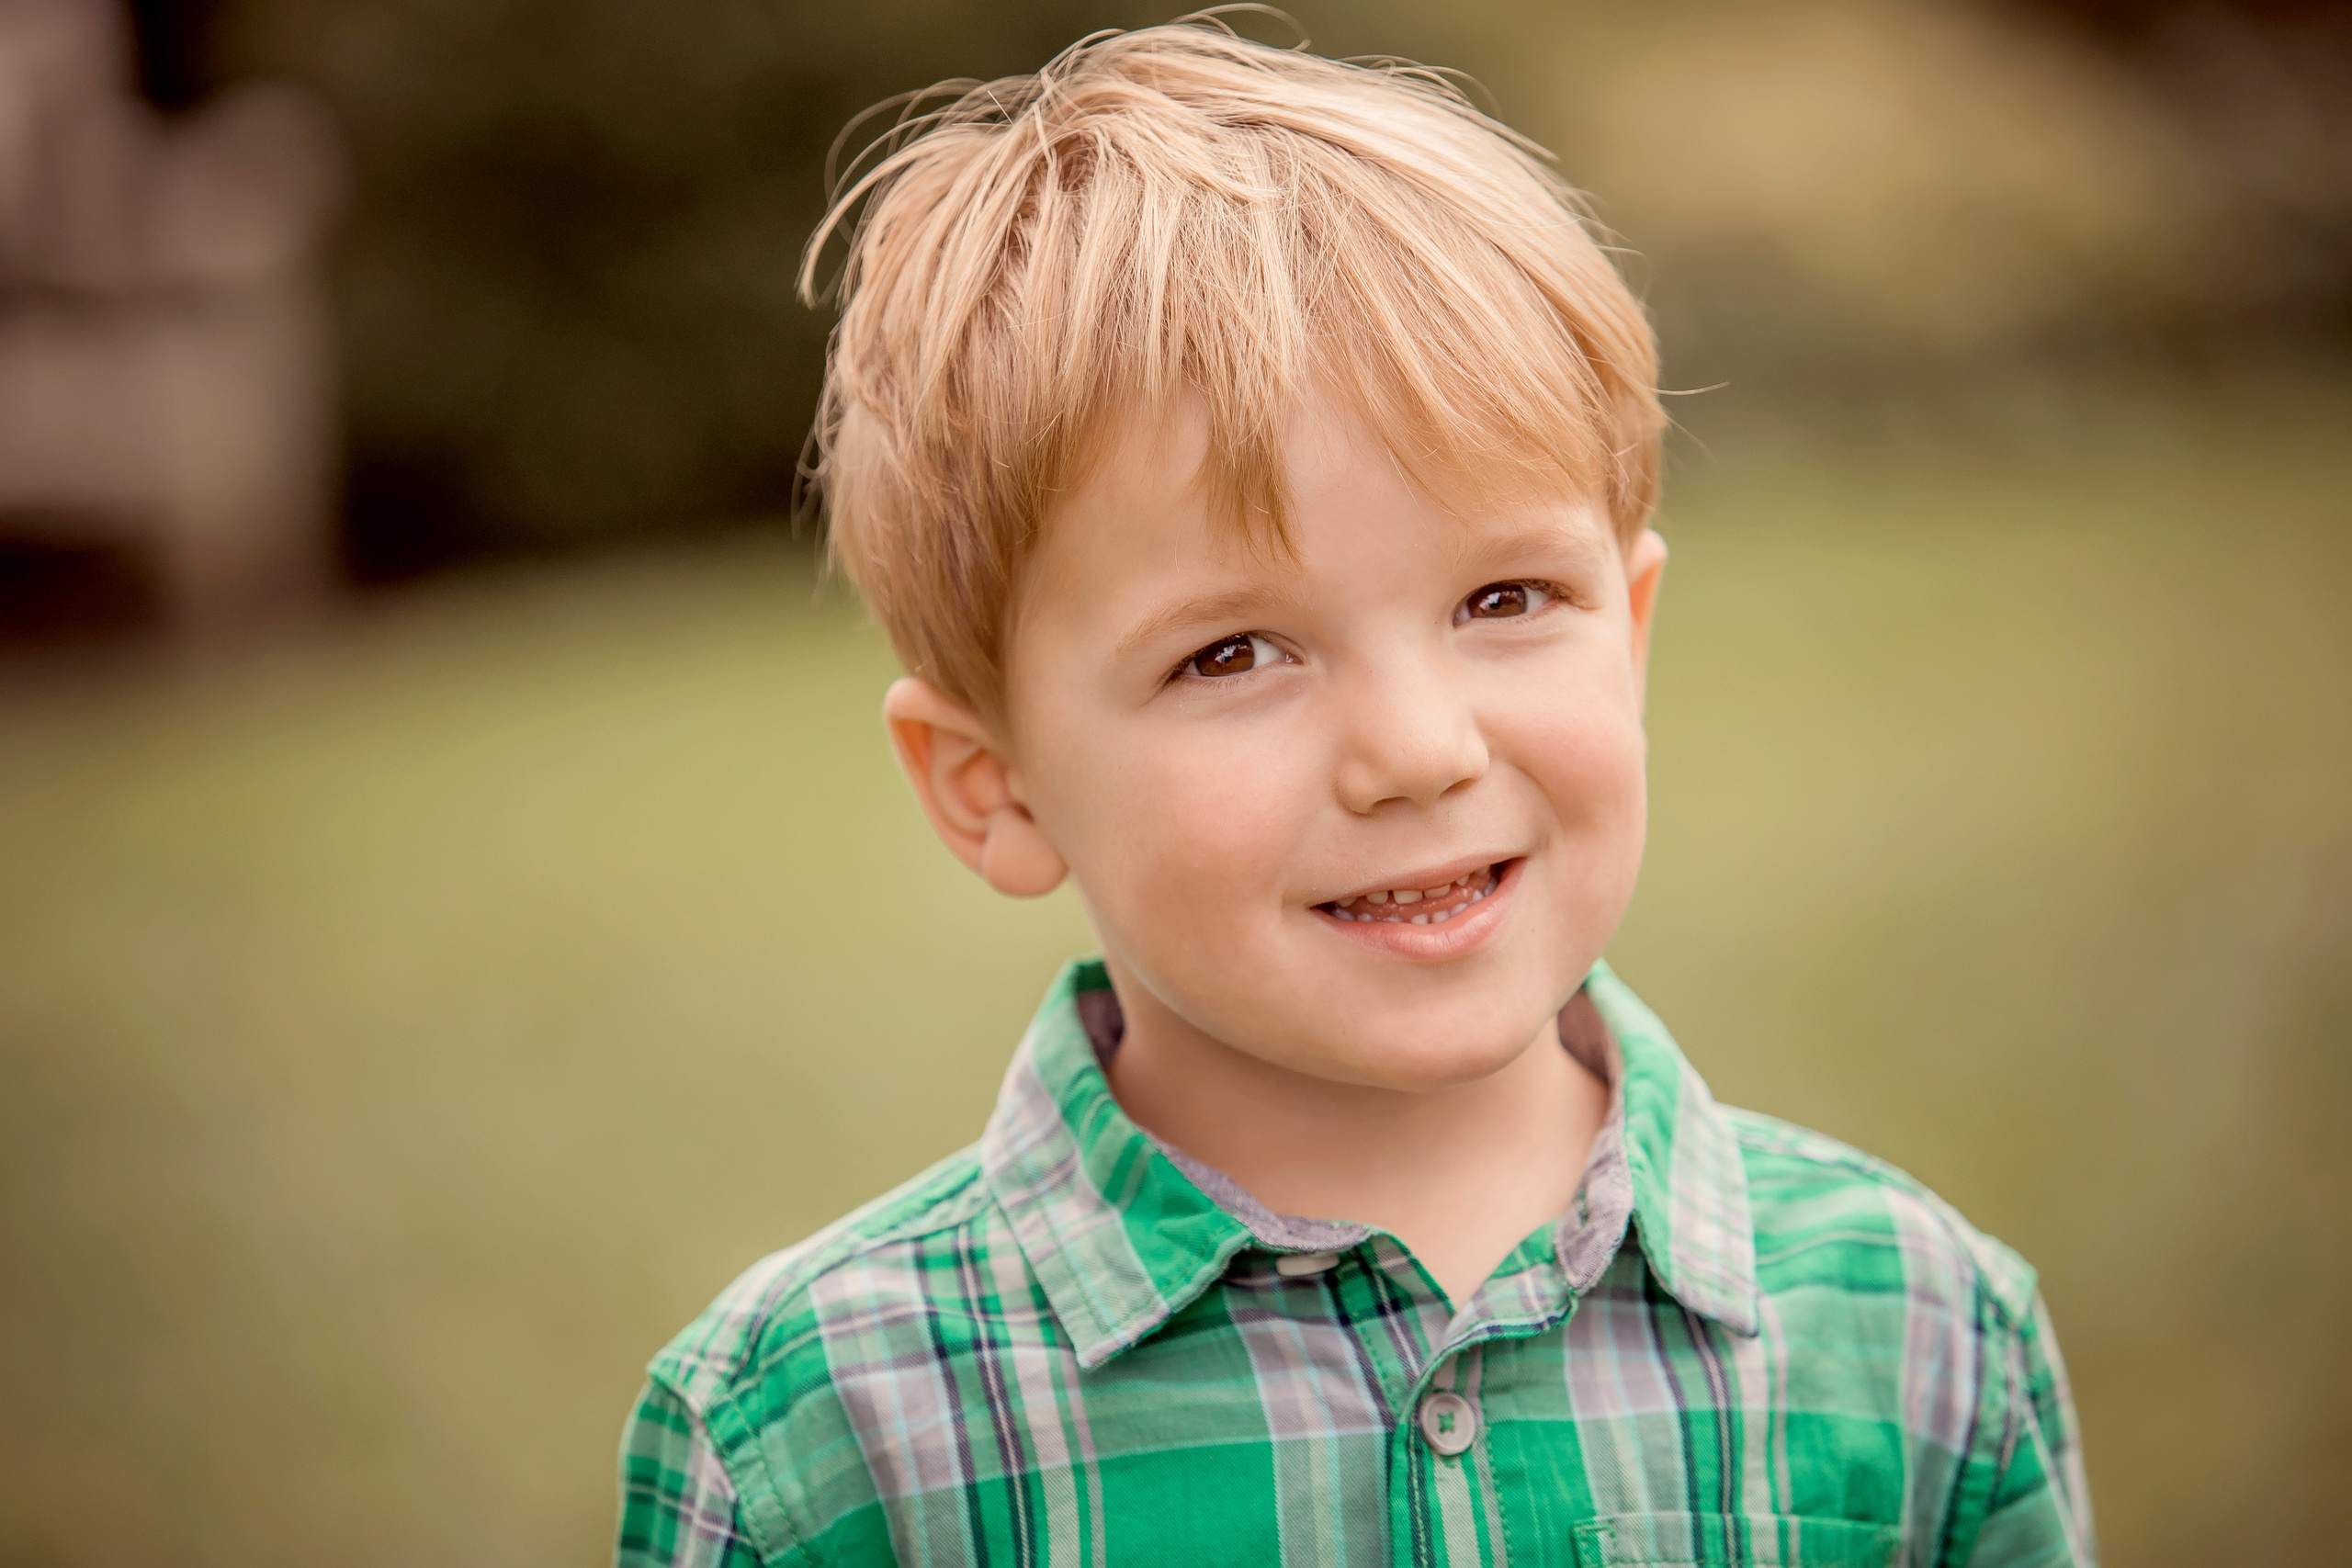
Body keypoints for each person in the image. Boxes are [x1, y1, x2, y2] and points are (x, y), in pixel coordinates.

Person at [615, 23, 2093, 1567]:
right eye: (1235, 652)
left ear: (1634, 637)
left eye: (1509, 599)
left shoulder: (1918, 1336)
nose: (1420, 750)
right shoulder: (822, 1443)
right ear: (997, 791)